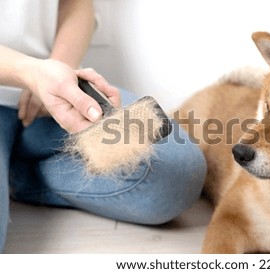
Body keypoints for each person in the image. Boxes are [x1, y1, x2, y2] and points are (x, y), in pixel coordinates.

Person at [0, 0, 206, 252]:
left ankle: (15, 174)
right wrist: (30, 72)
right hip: (35, 74)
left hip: (55, 86)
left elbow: (75, 3)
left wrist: (60, 63)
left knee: (179, 175)